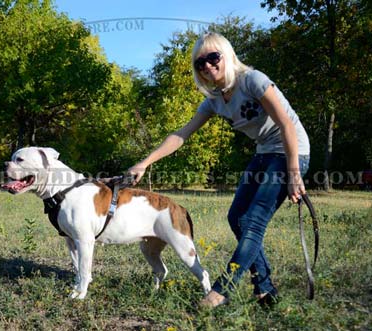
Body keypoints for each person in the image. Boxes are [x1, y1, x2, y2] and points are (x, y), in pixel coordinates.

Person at [128, 32, 310, 308]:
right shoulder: (214, 100)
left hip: (290, 151)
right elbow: (181, 135)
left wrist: (294, 173)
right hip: (264, 153)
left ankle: (222, 290)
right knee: (237, 217)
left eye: (214, 57)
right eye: (200, 63)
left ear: (227, 55)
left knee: (254, 220)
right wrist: (145, 162)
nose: (208, 66)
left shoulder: (253, 80)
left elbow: (286, 125)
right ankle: (265, 289)